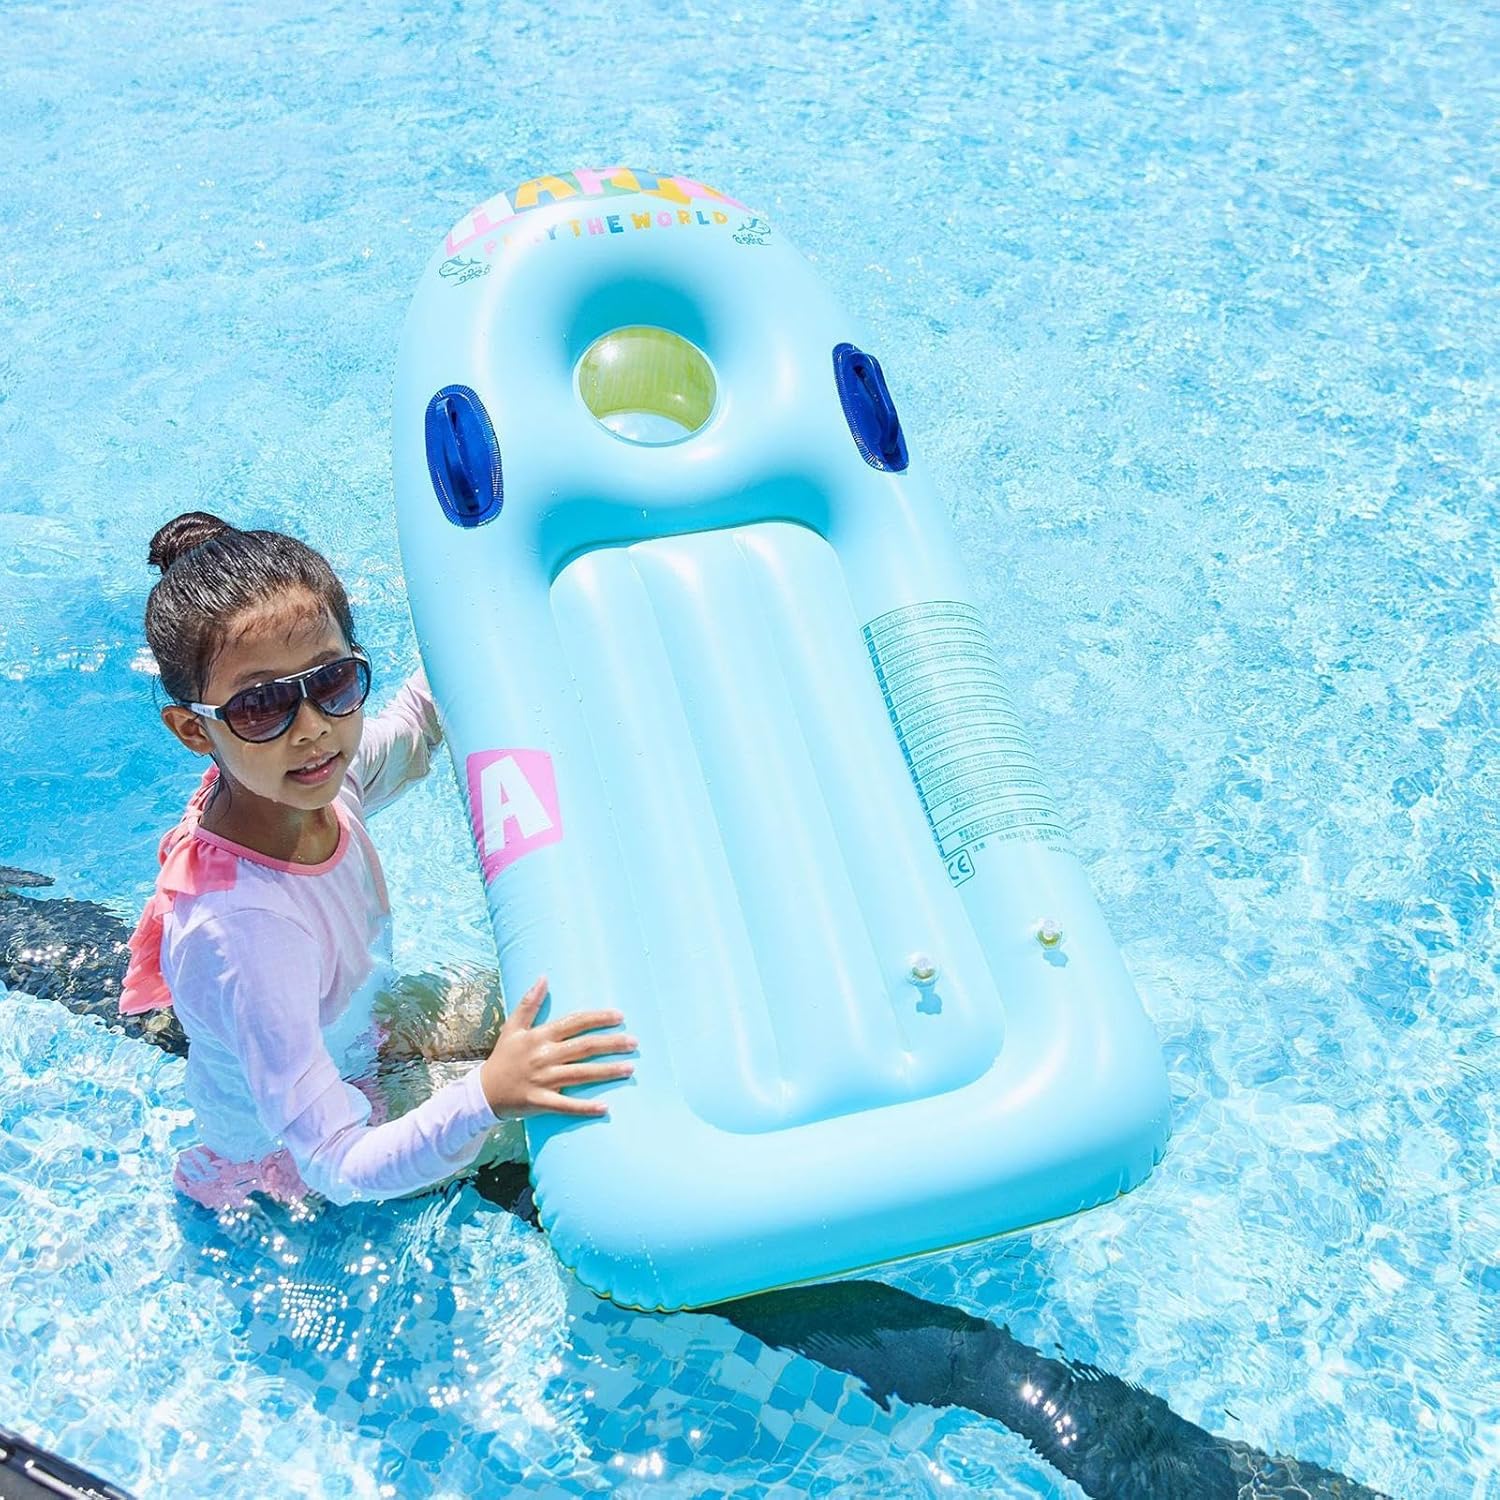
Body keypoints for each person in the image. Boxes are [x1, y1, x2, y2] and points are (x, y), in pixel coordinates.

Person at [119, 510, 635, 1209]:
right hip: (293, 1154)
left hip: (362, 1029)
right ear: (192, 729)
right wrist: (486, 1096)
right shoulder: (245, 933)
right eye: (261, 705)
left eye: (333, 681)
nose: (312, 728)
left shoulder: (313, 779)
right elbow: (337, 1162)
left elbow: (418, 723)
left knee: (565, 1000)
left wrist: (501, 617)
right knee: (568, 1103)